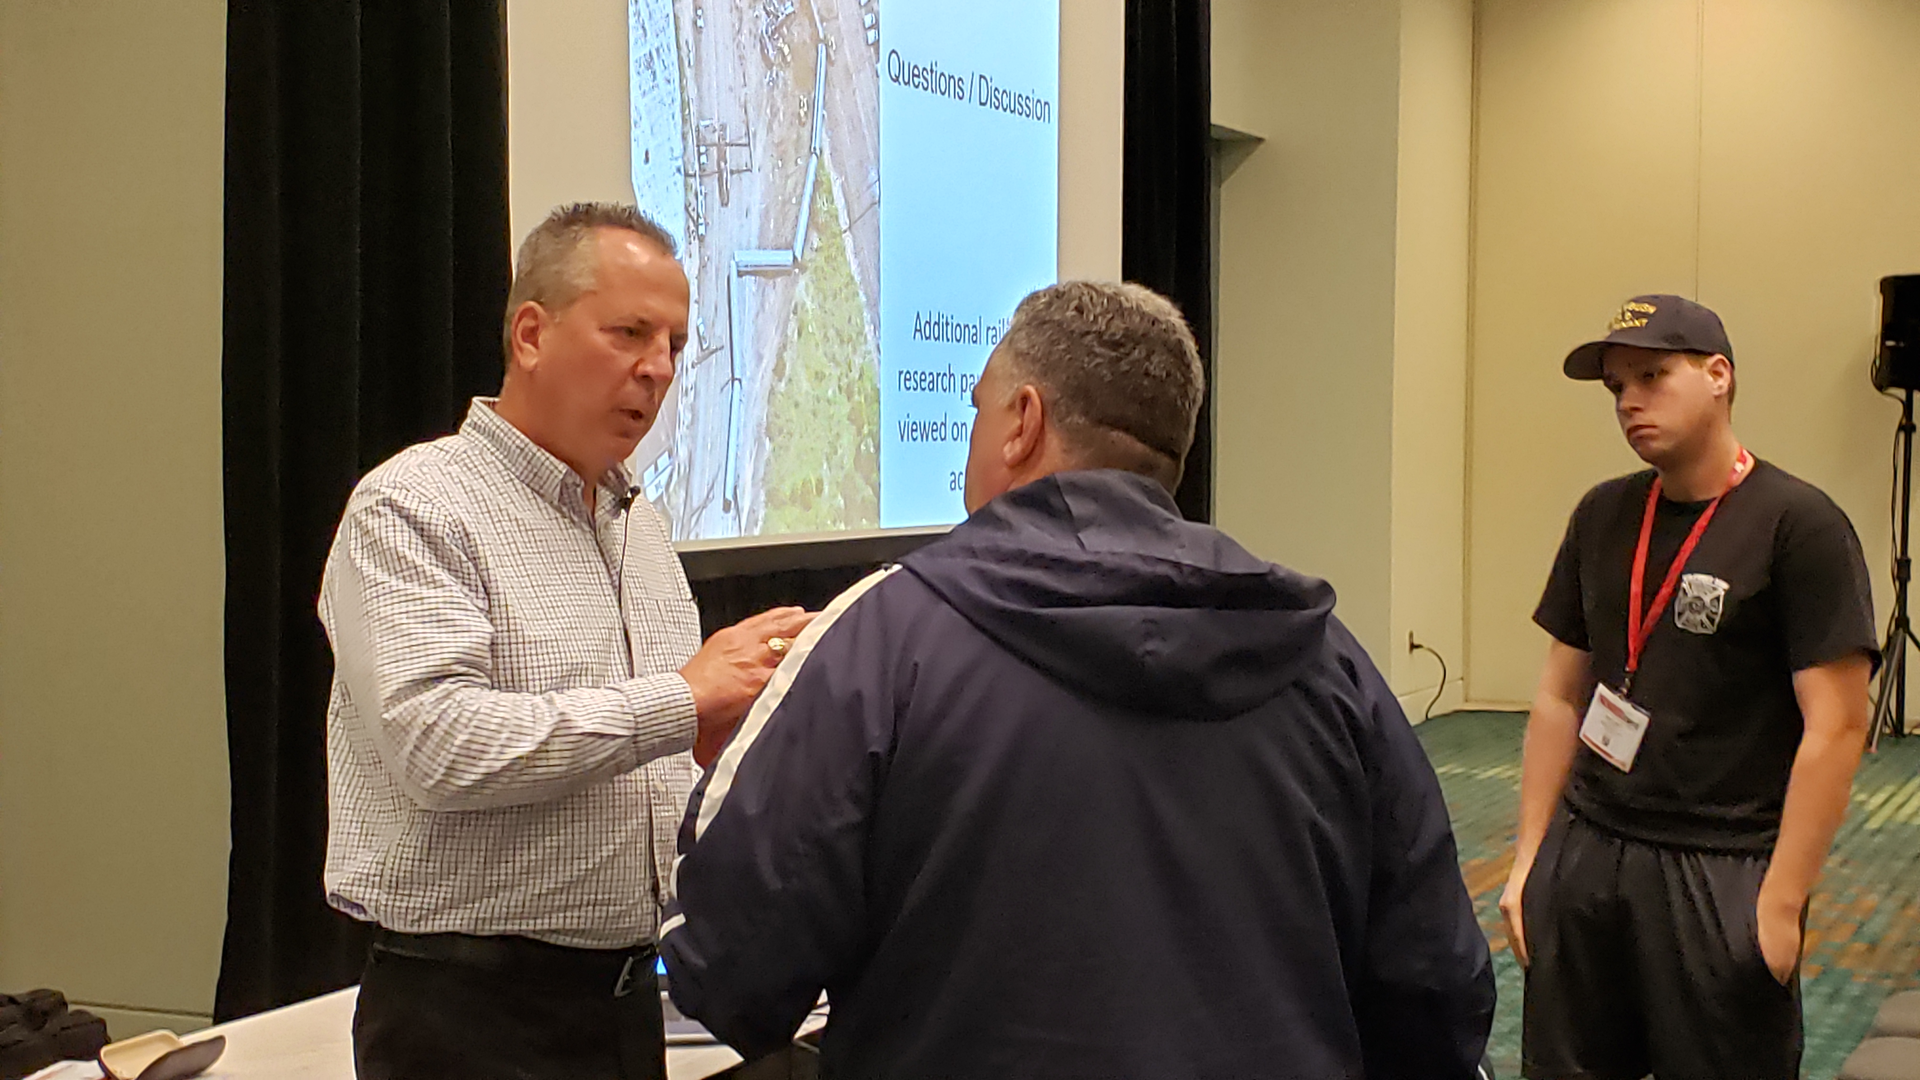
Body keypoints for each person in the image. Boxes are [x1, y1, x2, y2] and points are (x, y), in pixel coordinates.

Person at [659, 281, 1496, 1079]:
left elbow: (728, 967)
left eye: (976, 411)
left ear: (1022, 422)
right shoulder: (1328, 660)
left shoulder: (879, 639)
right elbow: (1436, 987)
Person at [318, 202, 812, 1080]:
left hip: (625, 1004)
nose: (657, 370)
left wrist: (721, 732)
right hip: (468, 1017)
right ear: (532, 335)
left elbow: (650, 749)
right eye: (629, 332)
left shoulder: (642, 529)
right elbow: (436, 746)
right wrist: (684, 698)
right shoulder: (415, 507)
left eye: (675, 344)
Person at [1499, 295, 1877, 1079]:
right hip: (1589, 847)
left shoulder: (1797, 526)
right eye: (1616, 388)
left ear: (1718, 376)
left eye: (1652, 376)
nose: (1629, 401)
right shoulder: (1603, 515)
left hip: (1720, 861)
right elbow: (1560, 697)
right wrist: (1531, 859)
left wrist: (1778, 905)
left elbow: (1837, 726)